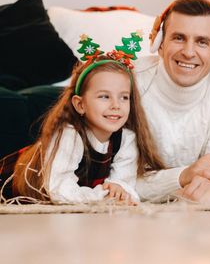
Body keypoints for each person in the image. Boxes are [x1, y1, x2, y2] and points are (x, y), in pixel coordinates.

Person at [0, 49, 165, 204]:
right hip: (10, 183)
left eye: (124, 97)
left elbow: (124, 180)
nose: (116, 105)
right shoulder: (69, 135)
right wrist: (101, 196)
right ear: (80, 104)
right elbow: (60, 190)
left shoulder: (127, 139)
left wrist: (118, 189)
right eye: (104, 96)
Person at [134, 0, 210, 203]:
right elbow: (119, 181)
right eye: (178, 38)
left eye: (202, 42)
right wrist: (183, 176)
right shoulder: (131, 82)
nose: (188, 52)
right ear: (159, 43)